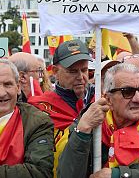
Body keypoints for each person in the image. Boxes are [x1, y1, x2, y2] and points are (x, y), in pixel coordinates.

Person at [59, 63, 139, 177]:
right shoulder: (90, 122)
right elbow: (67, 174)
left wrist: (117, 174)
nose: (138, 99)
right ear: (108, 99)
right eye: (128, 92)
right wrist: (82, 131)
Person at [29, 39, 92, 176]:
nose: (81, 77)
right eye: (73, 71)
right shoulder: (38, 108)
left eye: (84, 70)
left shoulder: (98, 102)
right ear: (55, 72)